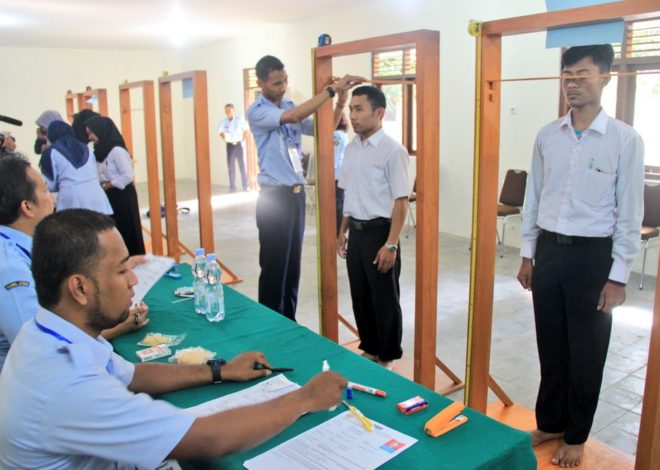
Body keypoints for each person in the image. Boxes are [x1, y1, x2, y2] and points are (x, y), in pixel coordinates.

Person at [0, 208, 346, 468]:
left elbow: (132, 374)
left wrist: (219, 370)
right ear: (79, 288)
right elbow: (206, 439)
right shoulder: (67, 382)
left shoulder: (46, 333)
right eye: (122, 271)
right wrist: (304, 398)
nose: (134, 282)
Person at [516, 44, 644, 468]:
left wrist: (619, 276)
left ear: (606, 77)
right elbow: (534, 198)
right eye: (566, 74)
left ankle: (576, 434)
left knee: (587, 351)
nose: (572, 82)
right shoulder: (547, 136)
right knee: (551, 345)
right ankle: (550, 421)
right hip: (550, 251)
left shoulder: (625, 139)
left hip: (594, 258)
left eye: (582, 74)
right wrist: (528, 254)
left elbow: (630, 213)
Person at [0, 155, 149, 372]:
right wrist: (117, 326)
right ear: (27, 207)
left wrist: (116, 267)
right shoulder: (9, 267)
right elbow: (43, 349)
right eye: (45, 190)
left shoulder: (19, 244)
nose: (52, 197)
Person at [247, 54, 364, 320]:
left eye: (285, 80)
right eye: (277, 82)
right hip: (274, 198)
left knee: (292, 266)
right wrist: (330, 91)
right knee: (275, 267)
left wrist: (341, 101)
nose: (283, 86)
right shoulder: (258, 111)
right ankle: (270, 324)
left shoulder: (287, 102)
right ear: (261, 83)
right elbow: (295, 115)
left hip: (295, 197)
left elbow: (324, 130)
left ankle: (289, 321)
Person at [336, 86, 410, 370]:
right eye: (351, 109)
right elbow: (348, 194)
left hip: (381, 233)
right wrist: (342, 231)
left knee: (384, 298)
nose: (352, 116)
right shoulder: (352, 148)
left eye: (359, 109)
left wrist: (391, 244)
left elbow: (401, 203)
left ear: (379, 113)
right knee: (361, 293)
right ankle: (370, 347)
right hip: (356, 232)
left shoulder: (393, 151)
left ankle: (387, 355)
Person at [86, 115, 146, 256]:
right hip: (109, 196)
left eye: (91, 133)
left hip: (122, 196)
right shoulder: (98, 151)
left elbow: (127, 175)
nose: (90, 137)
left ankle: (135, 262)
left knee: (128, 230)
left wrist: (108, 185)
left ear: (101, 131)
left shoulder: (117, 151)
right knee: (115, 230)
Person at [40, 120, 113, 215]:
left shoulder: (51, 152)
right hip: (96, 196)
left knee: (75, 228)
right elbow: (95, 174)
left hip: (72, 199)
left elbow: (49, 185)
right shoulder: (86, 148)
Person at [218, 103, 249, 192]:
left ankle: (245, 186)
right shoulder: (223, 121)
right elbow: (220, 132)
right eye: (226, 110)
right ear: (225, 111)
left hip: (238, 145)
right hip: (230, 145)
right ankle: (232, 187)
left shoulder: (239, 119)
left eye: (230, 110)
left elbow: (246, 129)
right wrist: (225, 139)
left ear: (233, 110)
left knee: (242, 165)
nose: (228, 112)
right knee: (231, 167)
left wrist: (243, 139)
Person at [333, 105, 350, 234]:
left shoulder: (336, 135)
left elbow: (334, 154)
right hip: (340, 172)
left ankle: (338, 228)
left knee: (338, 201)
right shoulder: (344, 134)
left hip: (335, 173)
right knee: (340, 199)